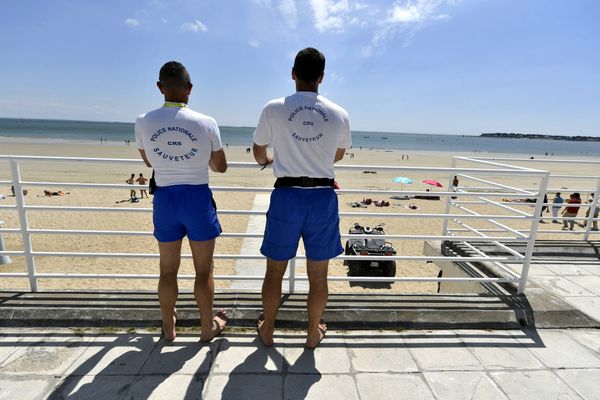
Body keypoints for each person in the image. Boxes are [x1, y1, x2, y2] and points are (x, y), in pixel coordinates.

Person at [252, 47, 351, 348]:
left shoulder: (273, 108)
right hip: (321, 197)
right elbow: (339, 154)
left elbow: (258, 150)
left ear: (293, 74)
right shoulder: (338, 114)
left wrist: (268, 161)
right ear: (322, 77)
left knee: (274, 271)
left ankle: (268, 329)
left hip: (287, 196)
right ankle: (311, 334)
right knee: (318, 276)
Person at [135, 61, 228, 342]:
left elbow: (149, 160)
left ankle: (169, 327)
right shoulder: (206, 122)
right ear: (189, 89)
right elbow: (220, 167)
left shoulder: (143, 121)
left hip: (165, 197)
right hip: (197, 196)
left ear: (160, 88)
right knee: (203, 270)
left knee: (167, 269)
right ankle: (205, 329)